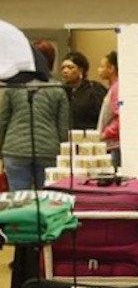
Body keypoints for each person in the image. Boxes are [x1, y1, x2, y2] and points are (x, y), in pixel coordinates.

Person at [0, 42, 69, 191]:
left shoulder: (12, 87)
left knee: (19, 200)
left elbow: (2, 121)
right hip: (48, 150)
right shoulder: (57, 89)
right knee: (47, 198)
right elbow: (64, 127)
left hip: (15, 149)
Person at [60, 50, 107, 131]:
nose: (65, 71)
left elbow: (103, 115)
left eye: (70, 67)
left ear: (81, 70)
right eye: (63, 68)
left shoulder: (94, 89)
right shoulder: (61, 91)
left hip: (89, 135)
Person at [96, 51, 121, 167]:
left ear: (111, 68)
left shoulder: (117, 88)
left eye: (102, 66)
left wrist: (105, 133)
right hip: (111, 144)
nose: (99, 70)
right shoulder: (113, 88)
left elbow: (120, 117)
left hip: (114, 145)